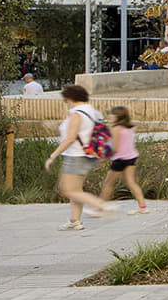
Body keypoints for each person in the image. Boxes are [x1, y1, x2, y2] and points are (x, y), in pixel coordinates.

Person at [45, 84, 116, 231]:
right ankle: (75, 221)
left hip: (76, 155)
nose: (66, 103)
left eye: (66, 100)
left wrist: (52, 156)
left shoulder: (77, 114)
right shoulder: (93, 111)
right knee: (76, 190)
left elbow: (70, 138)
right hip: (88, 154)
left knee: (68, 190)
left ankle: (102, 206)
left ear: (70, 98)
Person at [98, 105, 150, 215]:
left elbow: (115, 147)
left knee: (108, 183)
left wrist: (103, 152)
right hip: (131, 157)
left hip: (120, 159)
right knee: (131, 182)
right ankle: (142, 207)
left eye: (112, 115)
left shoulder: (116, 129)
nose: (110, 117)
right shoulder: (130, 128)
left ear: (118, 117)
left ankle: (100, 208)